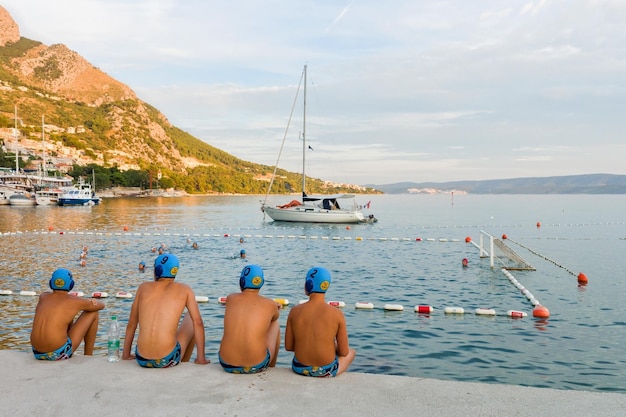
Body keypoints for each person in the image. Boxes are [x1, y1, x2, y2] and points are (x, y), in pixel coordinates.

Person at [122, 253, 209, 367]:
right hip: (167, 359)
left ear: (157, 270)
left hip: (141, 359)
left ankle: (181, 360)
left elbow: (131, 324)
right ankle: (195, 360)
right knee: (191, 318)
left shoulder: (143, 287)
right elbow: (198, 323)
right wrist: (201, 358)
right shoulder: (185, 289)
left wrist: (126, 354)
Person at [285, 266, 356, 377]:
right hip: (326, 371)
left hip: (299, 367)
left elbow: (289, 347)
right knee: (351, 352)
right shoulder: (337, 314)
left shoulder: (294, 311)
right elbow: (344, 352)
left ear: (308, 285)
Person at [30, 268, 105, 360]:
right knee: (93, 313)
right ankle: (88, 356)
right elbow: (101, 306)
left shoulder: (43, 296)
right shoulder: (74, 301)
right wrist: (92, 300)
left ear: (51, 283)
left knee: (67, 315)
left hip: (37, 353)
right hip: (59, 353)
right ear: (71, 284)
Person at [218, 265, 280, 374]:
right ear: (261, 283)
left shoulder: (231, 298)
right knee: (275, 323)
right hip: (257, 365)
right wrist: (274, 307)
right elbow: (274, 317)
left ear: (241, 282)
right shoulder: (270, 304)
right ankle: (271, 367)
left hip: (226, 363)